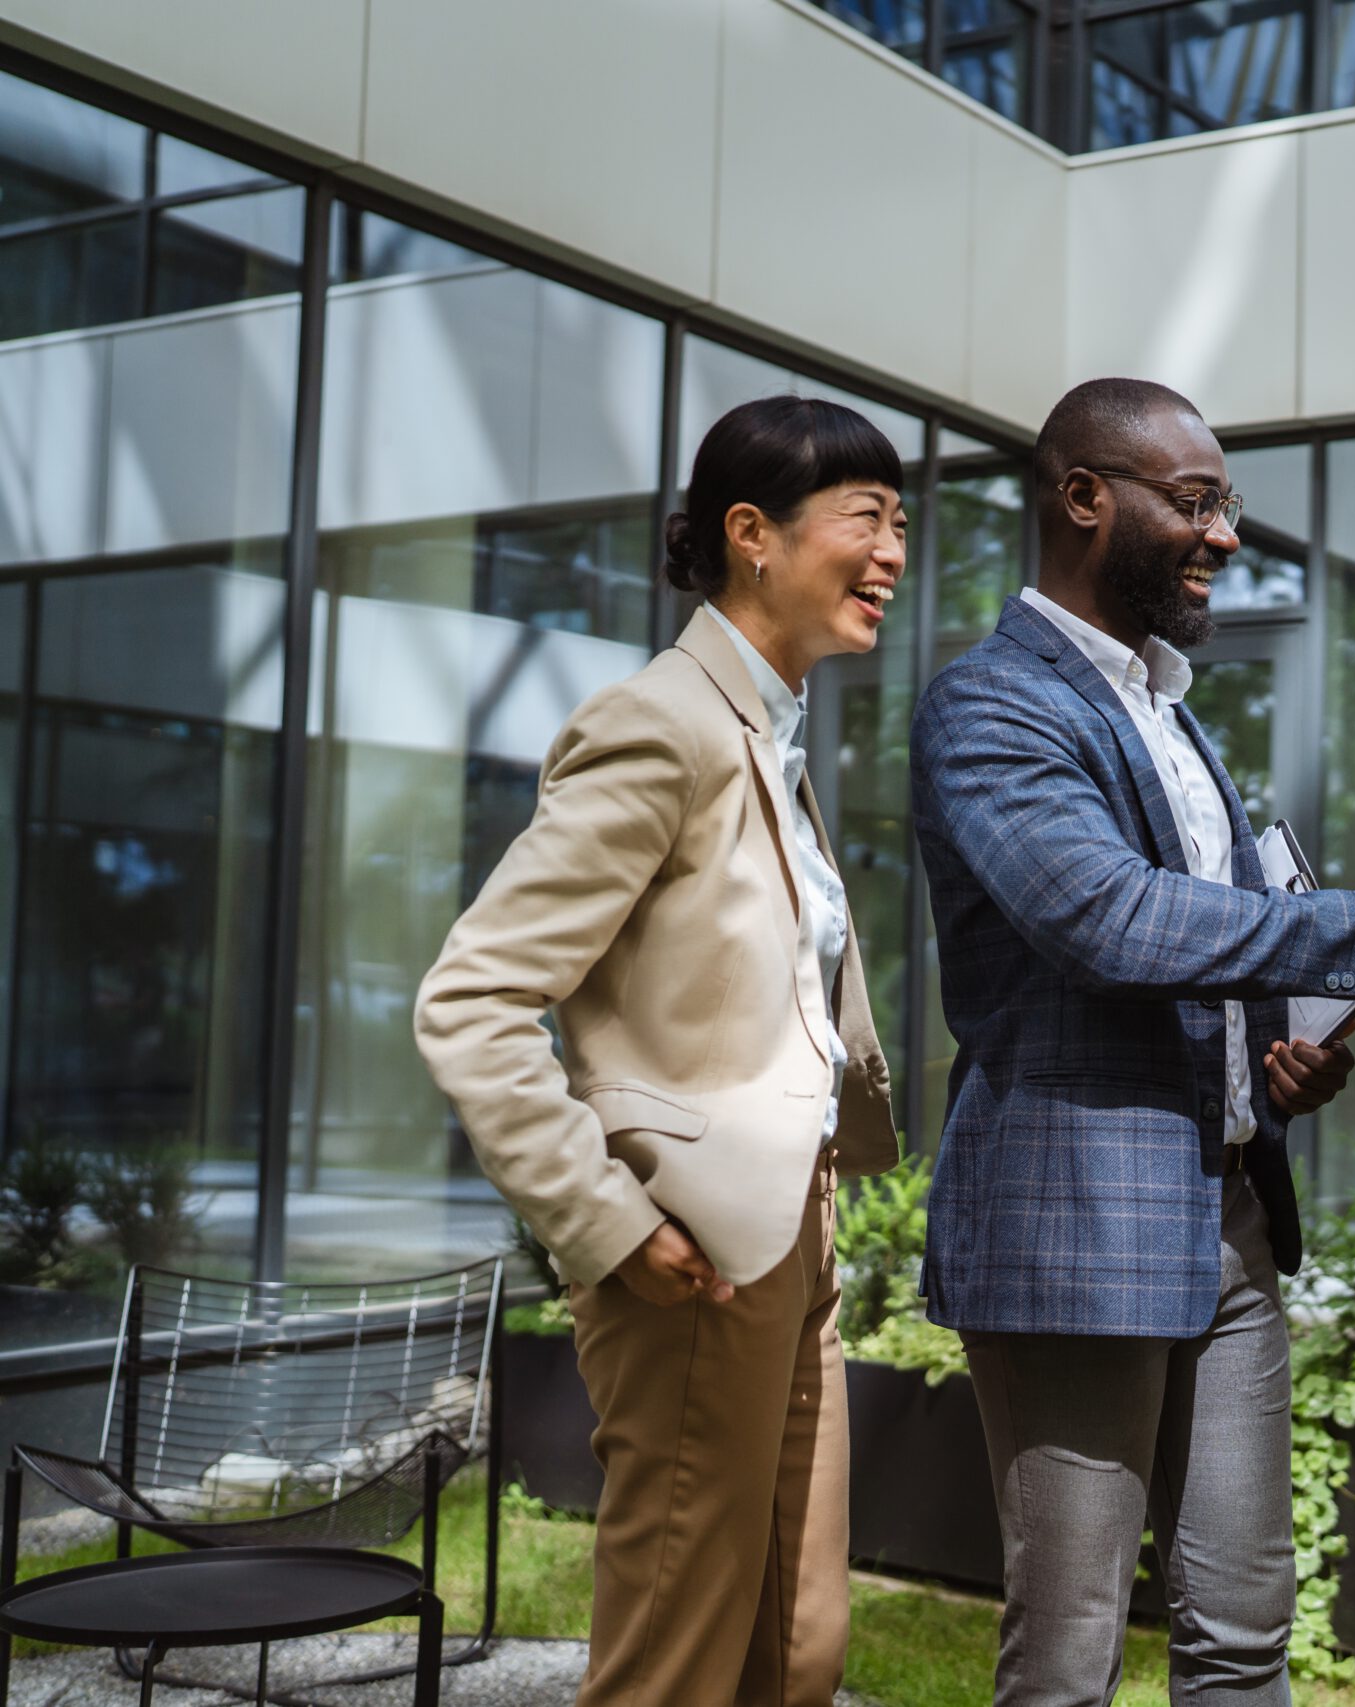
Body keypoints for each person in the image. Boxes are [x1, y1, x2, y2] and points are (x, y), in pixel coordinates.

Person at [910, 377, 1355, 1707]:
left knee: (1242, 1634)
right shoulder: (990, 706)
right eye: (1195, 499)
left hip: (1227, 1214)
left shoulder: (1168, 710)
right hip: (1078, 1230)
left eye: (1225, 502)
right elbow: (1110, 920)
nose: (1225, 532)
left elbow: (1214, 945)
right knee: (1067, 1654)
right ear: (1082, 496)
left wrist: (1292, 1046)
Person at [414, 396, 909, 1705]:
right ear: (754, 533)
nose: (894, 553)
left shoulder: (769, 733)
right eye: (868, 517)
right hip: (685, 1261)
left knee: (795, 1646)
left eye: (901, 522)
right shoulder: (661, 724)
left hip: (791, 1237)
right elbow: (471, 1000)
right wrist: (609, 1221)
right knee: (677, 1666)